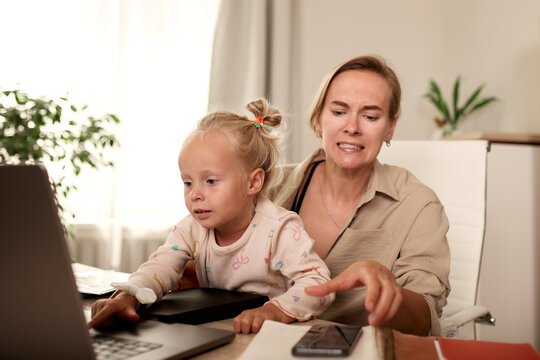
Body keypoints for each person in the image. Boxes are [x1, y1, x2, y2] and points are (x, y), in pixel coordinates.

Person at [89, 99, 334, 334]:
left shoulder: (280, 228)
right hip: (216, 330)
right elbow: (159, 266)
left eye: (211, 181)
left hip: (269, 336)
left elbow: (318, 282)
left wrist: (274, 311)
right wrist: (128, 296)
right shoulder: (191, 228)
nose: (195, 194)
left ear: (253, 182)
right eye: (188, 182)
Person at [270, 55, 451, 336]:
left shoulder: (418, 204)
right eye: (339, 111)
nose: (352, 127)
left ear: (391, 126)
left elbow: (425, 317)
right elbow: (186, 242)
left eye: (370, 116)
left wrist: (392, 294)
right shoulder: (270, 187)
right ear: (319, 119)